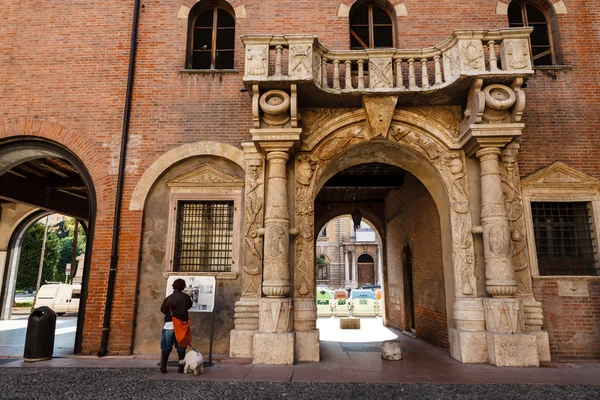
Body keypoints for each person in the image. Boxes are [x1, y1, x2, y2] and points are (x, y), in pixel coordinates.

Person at [159, 278, 192, 373]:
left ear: (173, 286)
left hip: (169, 325)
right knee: (181, 346)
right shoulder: (186, 297)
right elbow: (189, 306)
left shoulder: (168, 298)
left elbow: (163, 310)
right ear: (183, 286)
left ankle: (164, 366)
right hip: (181, 325)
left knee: (166, 346)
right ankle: (181, 367)